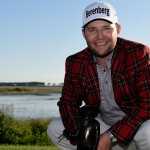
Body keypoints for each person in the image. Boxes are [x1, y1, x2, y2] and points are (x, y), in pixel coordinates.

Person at [47, 2, 150, 150]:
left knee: (149, 131)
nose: (100, 36)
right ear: (84, 33)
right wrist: (80, 131)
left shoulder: (138, 52)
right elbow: (68, 103)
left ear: (118, 30)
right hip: (105, 125)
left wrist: (110, 136)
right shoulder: (75, 62)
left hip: (137, 128)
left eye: (106, 28)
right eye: (92, 30)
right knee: (55, 128)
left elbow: (147, 105)